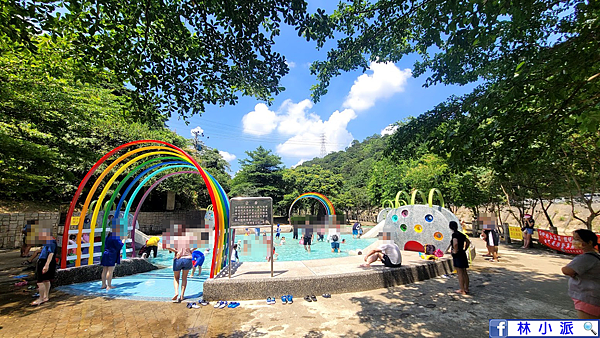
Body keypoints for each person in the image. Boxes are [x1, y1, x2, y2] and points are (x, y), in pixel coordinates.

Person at [561, 229, 600, 319]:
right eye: (574, 239)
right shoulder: (595, 256)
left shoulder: (586, 258)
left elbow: (567, 270)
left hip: (588, 299)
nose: (574, 242)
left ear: (589, 242)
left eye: (578, 239)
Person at [166, 230, 194, 303]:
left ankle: (176, 293)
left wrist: (175, 251)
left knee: (176, 278)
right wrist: (191, 251)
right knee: (184, 278)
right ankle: (182, 296)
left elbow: (167, 246)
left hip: (178, 259)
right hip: (188, 259)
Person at [32, 228, 57, 306]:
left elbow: (51, 253)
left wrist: (46, 265)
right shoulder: (49, 241)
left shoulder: (50, 241)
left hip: (45, 261)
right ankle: (45, 296)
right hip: (46, 261)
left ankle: (41, 298)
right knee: (46, 280)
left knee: (40, 281)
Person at [446, 221, 470, 295]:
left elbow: (455, 243)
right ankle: (466, 288)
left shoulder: (454, 235)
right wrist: (465, 249)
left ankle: (462, 290)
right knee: (464, 272)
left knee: (459, 273)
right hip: (462, 253)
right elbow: (468, 242)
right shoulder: (461, 234)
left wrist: (455, 251)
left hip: (458, 255)